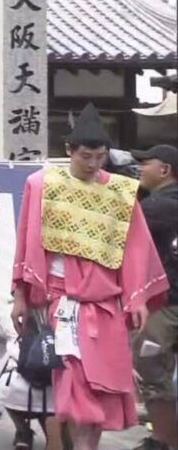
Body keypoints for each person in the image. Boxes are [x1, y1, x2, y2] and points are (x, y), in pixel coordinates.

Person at [11, 103, 169, 450]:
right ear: (69, 150)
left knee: (102, 393)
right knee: (74, 384)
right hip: (63, 302)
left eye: (100, 156)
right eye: (86, 156)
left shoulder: (119, 192)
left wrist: (138, 296)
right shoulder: (42, 184)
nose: (94, 163)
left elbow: (135, 248)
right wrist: (21, 294)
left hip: (106, 304)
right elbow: (27, 242)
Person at [130, 144, 178, 450]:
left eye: (146, 163)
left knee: (152, 367)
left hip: (166, 304)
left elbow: (121, 229)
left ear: (165, 170)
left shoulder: (160, 206)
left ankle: (163, 440)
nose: (139, 168)